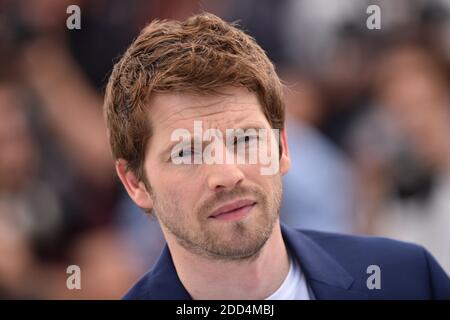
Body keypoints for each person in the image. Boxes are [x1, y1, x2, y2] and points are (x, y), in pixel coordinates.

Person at [103, 13, 450, 300]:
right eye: (187, 152)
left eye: (245, 138)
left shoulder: (407, 280)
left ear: (282, 147)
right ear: (135, 183)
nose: (228, 173)